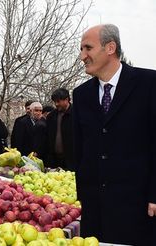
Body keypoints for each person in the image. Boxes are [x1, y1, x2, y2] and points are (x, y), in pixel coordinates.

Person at [73, 24, 156, 245]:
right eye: (81, 49)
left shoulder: (149, 84)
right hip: (95, 213)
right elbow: (80, 149)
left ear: (110, 47)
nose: (82, 56)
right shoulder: (81, 95)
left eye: (87, 48)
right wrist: (84, 196)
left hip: (139, 211)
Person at [45, 88, 74, 170]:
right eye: (55, 102)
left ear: (66, 100)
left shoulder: (77, 114)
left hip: (72, 160)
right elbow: (48, 138)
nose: (56, 104)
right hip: (54, 160)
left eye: (58, 101)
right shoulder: (51, 116)